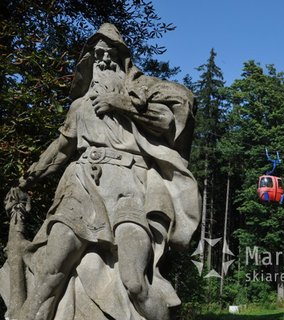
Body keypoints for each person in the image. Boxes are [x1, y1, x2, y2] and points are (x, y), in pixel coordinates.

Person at [3, 23, 200, 320]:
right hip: (81, 186)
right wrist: (28, 177)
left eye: (111, 54)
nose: (104, 60)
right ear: (90, 61)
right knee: (49, 273)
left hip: (129, 189)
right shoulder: (79, 107)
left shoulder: (138, 97)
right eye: (98, 55)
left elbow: (168, 123)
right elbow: (61, 148)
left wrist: (121, 104)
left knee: (134, 282)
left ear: (123, 60)